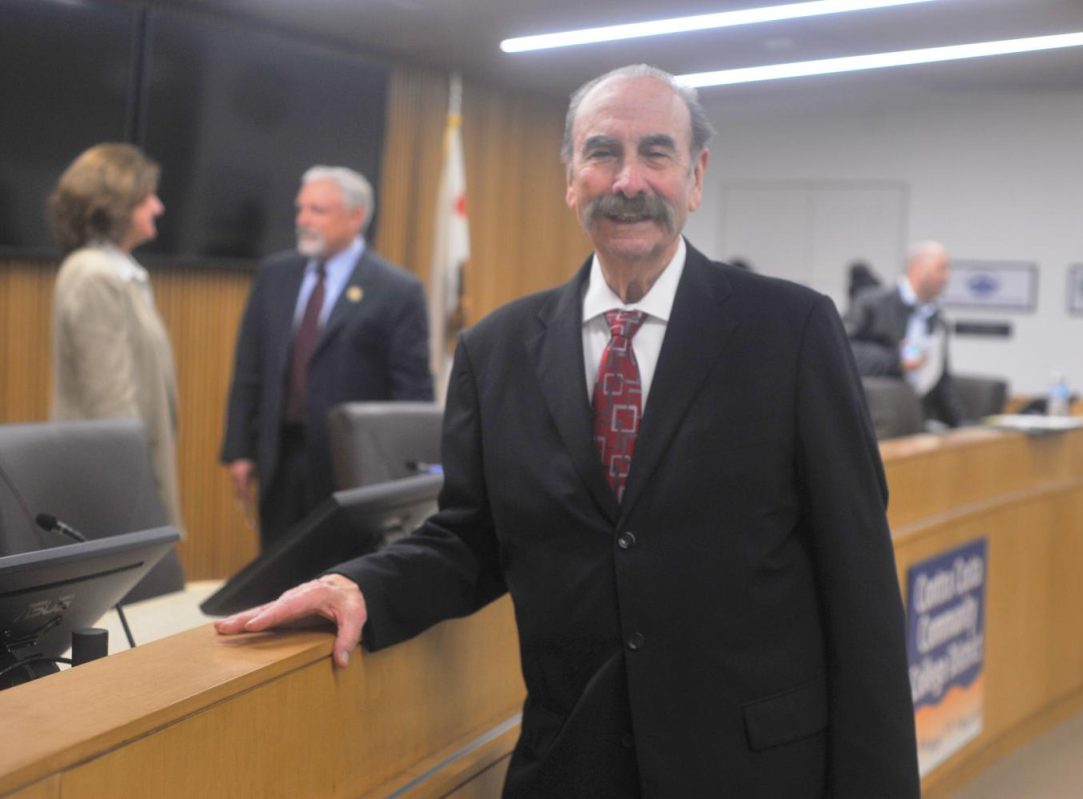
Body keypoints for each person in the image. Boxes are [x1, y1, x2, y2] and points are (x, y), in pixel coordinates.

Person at [218, 66, 919, 797]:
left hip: (754, 770)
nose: (628, 180)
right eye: (602, 152)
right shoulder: (496, 352)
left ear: (696, 174)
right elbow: (467, 538)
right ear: (570, 177)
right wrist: (356, 582)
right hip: (572, 765)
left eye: (655, 152)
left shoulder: (793, 331)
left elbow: (859, 584)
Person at [220, 166, 434, 549]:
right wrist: (240, 450)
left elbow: (412, 391)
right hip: (280, 459)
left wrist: (406, 477)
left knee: (341, 578)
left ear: (356, 217)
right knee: (279, 581)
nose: (303, 220)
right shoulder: (274, 274)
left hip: (352, 467)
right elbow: (250, 368)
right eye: (301, 209)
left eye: (317, 210)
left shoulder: (397, 290)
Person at [48, 143, 183, 528]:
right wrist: (138, 499)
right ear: (117, 206)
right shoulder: (95, 276)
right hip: (113, 486)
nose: (159, 207)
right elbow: (111, 404)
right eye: (147, 198)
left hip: (125, 474)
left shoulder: (119, 273)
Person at [845, 241, 965, 427]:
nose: (946, 277)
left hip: (917, 418)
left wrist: (960, 426)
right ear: (917, 268)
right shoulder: (872, 302)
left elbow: (942, 379)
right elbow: (841, 351)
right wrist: (897, 360)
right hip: (873, 417)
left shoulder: (937, 319)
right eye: (941, 269)